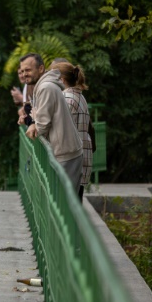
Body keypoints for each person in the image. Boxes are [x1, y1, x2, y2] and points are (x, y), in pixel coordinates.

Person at [21, 53, 83, 195]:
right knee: (61, 203)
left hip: (66, 154)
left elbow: (41, 126)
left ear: (41, 68)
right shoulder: (44, 86)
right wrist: (34, 119)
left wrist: (33, 123)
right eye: (23, 71)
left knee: (63, 205)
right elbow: (39, 117)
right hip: (66, 152)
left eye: (28, 70)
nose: (24, 74)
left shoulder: (46, 88)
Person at [49, 61, 93, 201]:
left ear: (61, 80)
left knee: (66, 204)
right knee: (75, 202)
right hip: (82, 156)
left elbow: (57, 126)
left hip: (71, 160)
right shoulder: (80, 97)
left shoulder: (67, 99)